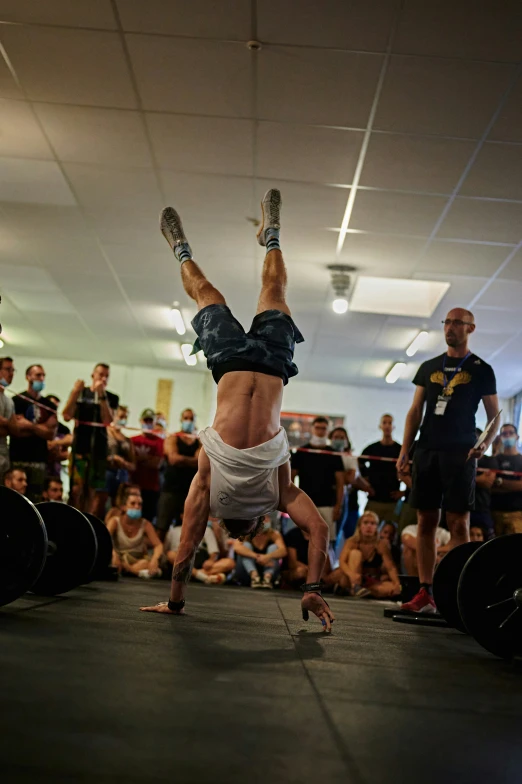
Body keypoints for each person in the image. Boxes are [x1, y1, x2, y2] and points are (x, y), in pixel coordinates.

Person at [141, 189, 335, 630]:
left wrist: (313, 586)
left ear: (253, 521)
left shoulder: (261, 494)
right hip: (254, 364)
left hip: (247, 364)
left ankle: (250, 241)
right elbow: (187, 547)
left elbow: (190, 542)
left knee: (260, 290)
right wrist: (173, 601)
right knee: (220, 292)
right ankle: (241, 241)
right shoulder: (257, 492)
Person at [397, 308, 499, 613]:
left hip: (461, 452)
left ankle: (457, 593)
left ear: (471, 328)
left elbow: (494, 417)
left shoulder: (482, 369)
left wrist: (486, 445)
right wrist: (405, 450)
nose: (450, 328)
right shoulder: (429, 367)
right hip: (427, 450)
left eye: (457, 323)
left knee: (459, 522)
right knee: (425, 521)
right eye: (447, 322)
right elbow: (416, 410)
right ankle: (425, 592)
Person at [63, 363, 118, 515]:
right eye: (101, 374)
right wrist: (75, 392)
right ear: (93, 375)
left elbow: (108, 420)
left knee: (93, 491)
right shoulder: (82, 393)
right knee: (76, 489)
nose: (103, 378)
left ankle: (86, 520)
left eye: (107, 376)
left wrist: (101, 396)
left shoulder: (111, 398)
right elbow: (67, 415)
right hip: (79, 448)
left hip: (98, 450)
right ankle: (72, 516)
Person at [290, 416, 345, 543]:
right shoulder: (301, 452)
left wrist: (338, 506)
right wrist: (293, 504)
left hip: (327, 504)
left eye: (323, 428)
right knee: (301, 541)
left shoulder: (334, 454)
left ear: (327, 431)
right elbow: (290, 480)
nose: (320, 431)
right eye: (318, 428)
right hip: (304, 504)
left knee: (326, 542)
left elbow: (340, 482)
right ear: (312, 429)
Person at [9, 364, 58, 502]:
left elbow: (50, 434)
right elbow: (16, 430)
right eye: (38, 375)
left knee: (36, 500)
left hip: (39, 460)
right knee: (15, 499)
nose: (41, 378)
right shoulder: (17, 401)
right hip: (18, 458)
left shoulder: (49, 405)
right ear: (28, 376)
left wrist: (29, 425)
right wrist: (40, 428)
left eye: (43, 375)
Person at [156, 408, 201, 540]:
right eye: (186, 418)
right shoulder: (173, 438)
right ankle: (159, 557)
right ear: (181, 420)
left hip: (190, 491)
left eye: (191, 418)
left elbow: (201, 461)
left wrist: (182, 459)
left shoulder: (199, 441)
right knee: (162, 527)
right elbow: (173, 459)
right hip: (171, 489)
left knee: (187, 529)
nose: (188, 421)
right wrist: (192, 460)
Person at [338, 511, 401, 598]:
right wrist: (351, 575)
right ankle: (355, 588)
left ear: (377, 528)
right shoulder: (352, 541)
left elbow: (390, 567)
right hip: (352, 577)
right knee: (355, 554)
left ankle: (360, 591)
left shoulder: (381, 544)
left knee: (391, 588)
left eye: (373, 523)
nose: (369, 526)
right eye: (366, 523)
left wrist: (397, 583)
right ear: (360, 526)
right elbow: (342, 562)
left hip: (369, 580)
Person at [107, 493, 163, 578]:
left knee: (146, 564)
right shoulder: (114, 522)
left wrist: (155, 560)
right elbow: (105, 540)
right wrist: (113, 555)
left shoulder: (145, 524)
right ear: (124, 507)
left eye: (139, 504)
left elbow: (158, 545)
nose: (137, 507)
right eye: (133, 503)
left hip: (136, 560)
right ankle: (135, 572)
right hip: (118, 558)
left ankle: (129, 570)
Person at [360, 414, 402, 523]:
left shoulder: (400, 450)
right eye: (384, 422)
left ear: (393, 427)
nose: (387, 426)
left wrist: (404, 492)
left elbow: (410, 470)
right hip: (374, 499)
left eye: (390, 423)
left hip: (393, 501)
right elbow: (358, 465)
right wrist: (365, 484)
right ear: (380, 426)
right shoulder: (371, 449)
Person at [164, 523, 234, 584]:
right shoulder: (173, 531)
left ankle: (197, 575)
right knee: (170, 554)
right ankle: (204, 577)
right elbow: (165, 550)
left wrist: (211, 560)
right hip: (182, 562)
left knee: (229, 562)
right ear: (182, 516)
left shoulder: (206, 529)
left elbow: (213, 550)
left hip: (201, 561)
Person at [234, 516, 287, 588]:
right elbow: (237, 548)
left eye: (266, 518)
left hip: (269, 570)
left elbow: (283, 551)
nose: (264, 521)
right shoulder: (246, 533)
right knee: (246, 546)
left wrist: (268, 557)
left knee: (273, 548)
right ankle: (254, 576)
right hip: (246, 573)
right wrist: (257, 556)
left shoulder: (274, 534)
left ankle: (267, 578)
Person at [131, 409, 164, 523]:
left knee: (147, 519)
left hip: (151, 487)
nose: (148, 423)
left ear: (154, 422)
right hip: (133, 485)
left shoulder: (160, 441)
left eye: (151, 420)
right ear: (141, 420)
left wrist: (139, 459)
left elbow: (156, 463)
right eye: (146, 420)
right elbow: (131, 462)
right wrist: (148, 459)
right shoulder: (132, 440)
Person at [490, 422, 522, 536]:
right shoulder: (494, 460)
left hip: (516, 514)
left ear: (517, 436)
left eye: (511, 433)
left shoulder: (521, 460)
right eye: (504, 433)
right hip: (495, 513)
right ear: (500, 437)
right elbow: (489, 485)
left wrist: (500, 482)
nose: (507, 436)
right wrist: (514, 485)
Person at [328, 426, 358, 540]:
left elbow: (350, 479)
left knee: (336, 533)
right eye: (336, 437)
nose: (338, 440)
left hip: (342, 499)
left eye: (342, 437)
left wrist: (337, 477)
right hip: (325, 498)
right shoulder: (324, 454)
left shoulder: (349, 458)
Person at [106, 405, 136, 503]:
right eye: (121, 416)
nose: (123, 420)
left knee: (119, 503)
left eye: (125, 417)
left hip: (122, 475)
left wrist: (124, 463)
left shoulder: (127, 440)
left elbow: (133, 464)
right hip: (106, 473)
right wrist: (112, 458)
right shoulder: (105, 432)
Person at [471, 427, 496, 538]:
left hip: (482, 508)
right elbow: (451, 480)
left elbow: (487, 482)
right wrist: (477, 480)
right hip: (460, 507)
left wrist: (465, 480)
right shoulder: (458, 460)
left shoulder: (489, 461)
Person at [46, 394, 73, 479]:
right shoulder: (39, 424)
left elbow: (70, 440)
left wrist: (55, 443)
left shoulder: (63, 428)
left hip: (56, 471)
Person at [0, 356, 18, 483]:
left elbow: (15, 430)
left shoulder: (9, 401)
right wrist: (10, 424)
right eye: (8, 369)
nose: (11, 373)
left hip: (3, 454)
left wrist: (6, 424)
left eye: (13, 370)